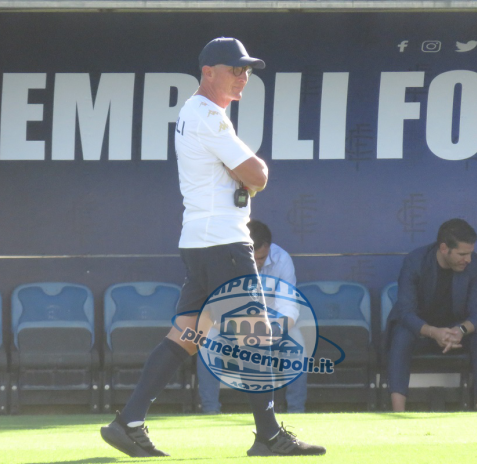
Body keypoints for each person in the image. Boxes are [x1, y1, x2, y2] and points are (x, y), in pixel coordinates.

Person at [99, 37, 325, 457]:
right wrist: (251, 174)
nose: (243, 77)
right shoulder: (207, 114)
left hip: (201, 241)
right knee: (256, 336)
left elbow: (247, 175)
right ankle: (269, 436)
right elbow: (258, 175)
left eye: (246, 70)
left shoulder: (199, 112)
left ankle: (127, 422)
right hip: (223, 243)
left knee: (187, 335)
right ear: (208, 72)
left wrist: (244, 175)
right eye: (234, 69)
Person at [197, 219, 308, 414]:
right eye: (252, 259)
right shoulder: (222, 260)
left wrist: (275, 330)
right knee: (207, 342)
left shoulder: (282, 259)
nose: (257, 264)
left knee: (297, 342)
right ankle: (210, 410)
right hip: (230, 326)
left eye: (261, 258)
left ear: (268, 248)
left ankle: (296, 411)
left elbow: (289, 306)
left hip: (271, 325)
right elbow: (211, 311)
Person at [385, 218, 477, 412]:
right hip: (421, 332)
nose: (468, 259)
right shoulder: (416, 261)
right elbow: (405, 311)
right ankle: (398, 414)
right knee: (401, 335)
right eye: (462, 254)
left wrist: (460, 330)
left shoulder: (474, 264)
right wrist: (433, 332)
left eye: (470, 253)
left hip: (456, 334)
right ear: (444, 249)